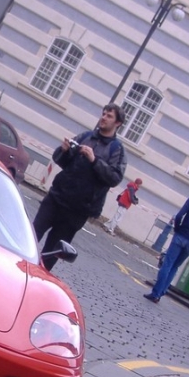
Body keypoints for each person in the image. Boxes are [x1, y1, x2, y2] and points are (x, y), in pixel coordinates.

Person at [32, 104, 126, 271]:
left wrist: (94, 160)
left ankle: (38, 280)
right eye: (103, 114)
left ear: (117, 123)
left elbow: (114, 178)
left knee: (52, 252)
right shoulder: (86, 136)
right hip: (56, 198)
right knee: (31, 236)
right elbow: (63, 162)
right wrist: (64, 151)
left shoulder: (116, 149)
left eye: (109, 116)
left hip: (77, 211)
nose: (103, 117)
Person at [143, 182, 189, 303]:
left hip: (181, 235)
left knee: (167, 264)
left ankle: (155, 293)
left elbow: (179, 216)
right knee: (175, 266)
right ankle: (161, 292)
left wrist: (177, 228)